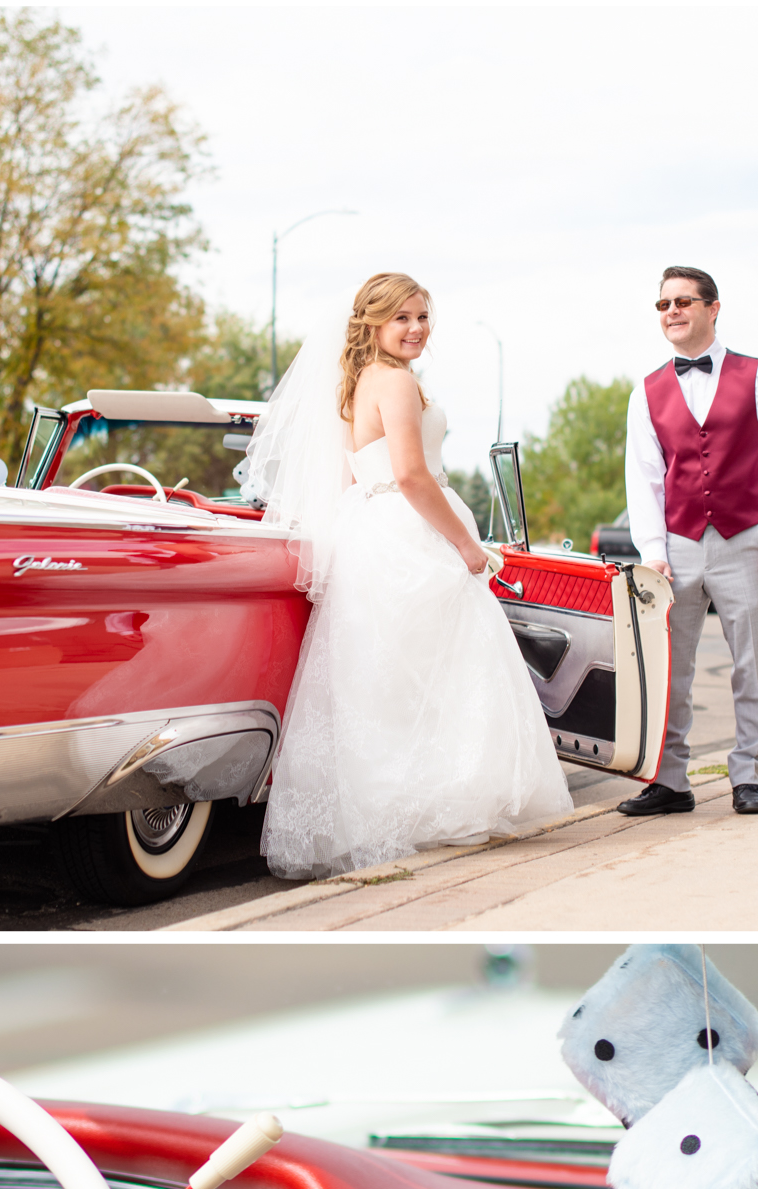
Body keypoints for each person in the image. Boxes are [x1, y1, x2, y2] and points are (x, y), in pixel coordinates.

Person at [242, 272, 572, 878]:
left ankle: (397, 811)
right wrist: (467, 546)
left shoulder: (356, 382)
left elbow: (351, 478)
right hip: (409, 531)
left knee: (389, 681)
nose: (417, 329)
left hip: (374, 531)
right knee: (441, 672)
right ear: (373, 323)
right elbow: (414, 476)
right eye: (403, 318)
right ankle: (434, 809)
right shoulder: (393, 382)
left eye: (423, 318)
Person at [620, 266, 758, 821]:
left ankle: (748, 774)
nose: (672, 312)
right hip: (675, 547)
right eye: (662, 305)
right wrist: (652, 550)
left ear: (713, 307)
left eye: (683, 301)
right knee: (670, 670)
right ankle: (671, 781)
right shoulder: (647, 390)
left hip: (747, 541)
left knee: (752, 664)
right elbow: (645, 479)